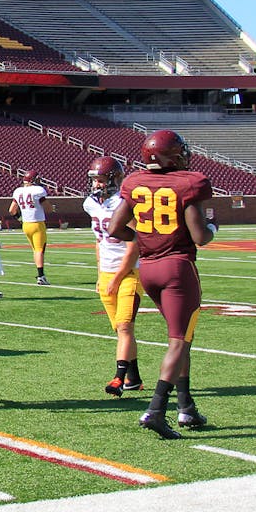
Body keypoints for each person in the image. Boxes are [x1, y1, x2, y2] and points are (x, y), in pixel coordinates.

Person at [107, 130, 215, 439]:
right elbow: (200, 237)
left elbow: (116, 228)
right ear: (174, 155)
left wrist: (144, 240)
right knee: (179, 340)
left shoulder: (134, 182)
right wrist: (213, 227)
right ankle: (156, 410)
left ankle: (186, 407)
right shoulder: (187, 182)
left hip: (149, 269)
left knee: (182, 339)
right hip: (177, 267)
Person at [83, 156, 143, 398]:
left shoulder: (124, 203)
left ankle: (119, 378)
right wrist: (100, 274)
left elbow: (134, 245)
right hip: (107, 272)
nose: (97, 184)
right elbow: (98, 242)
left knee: (125, 326)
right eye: (94, 180)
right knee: (120, 330)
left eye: (100, 179)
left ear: (114, 179)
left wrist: (117, 277)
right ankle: (134, 378)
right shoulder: (90, 204)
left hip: (128, 272)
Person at [9, 170, 51, 285]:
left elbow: (12, 210)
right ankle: (41, 276)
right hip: (37, 224)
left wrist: (20, 219)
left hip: (26, 225)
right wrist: (52, 208)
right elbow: (48, 208)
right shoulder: (38, 190)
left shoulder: (18, 191)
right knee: (39, 250)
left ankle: (40, 274)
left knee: (35, 250)